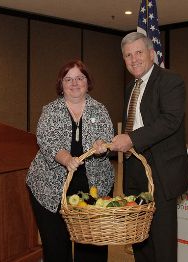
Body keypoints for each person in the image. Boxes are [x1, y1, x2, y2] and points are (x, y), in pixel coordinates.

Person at [109, 32, 188, 262]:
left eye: (138, 52)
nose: (134, 59)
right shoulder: (129, 88)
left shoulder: (170, 80)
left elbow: (170, 120)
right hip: (134, 169)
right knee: (140, 236)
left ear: (151, 54)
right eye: (128, 55)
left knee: (162, 238)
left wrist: (131, 139)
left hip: (161, 171)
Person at [26, 59, 114, 262]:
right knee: (56, 248)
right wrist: (66, 159)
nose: (74, 83)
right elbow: (47, 141)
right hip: (50, 188)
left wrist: (101, 145)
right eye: (69, 79)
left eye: (80, 78)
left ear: (87, 81)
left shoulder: (100, 110)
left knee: (92, 248)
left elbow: (106, 138)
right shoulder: (50, 111)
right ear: (61, 84)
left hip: (94, 188)